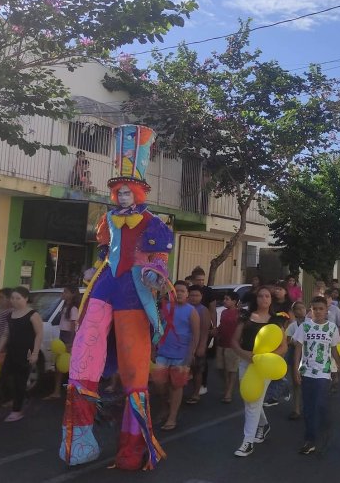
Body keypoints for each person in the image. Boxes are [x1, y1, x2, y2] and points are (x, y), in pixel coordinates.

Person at [60, 124, 174, 470]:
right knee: (84, 354)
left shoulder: (153, 222)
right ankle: (76, 440)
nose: (123, 197)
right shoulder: (108, 219)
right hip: (106, 285)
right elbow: (103, 252)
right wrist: (93, 271)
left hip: (133, 292)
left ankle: (133, 449)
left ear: (139, 193)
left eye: (128, 192)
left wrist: (156, 274)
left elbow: (160, 260)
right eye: (119, 192)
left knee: (134, 369)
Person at [231, 286, 288, 457]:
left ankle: (247, 442)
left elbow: (283, 346)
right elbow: (234, 341)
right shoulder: (245, 317)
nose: (264, 299)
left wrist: (264, 358)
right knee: (248, 397)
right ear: (256, 299)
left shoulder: (277, 320)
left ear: (271, 300)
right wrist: (245, 355)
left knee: (254, 401)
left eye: (267, 296)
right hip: (246, 361)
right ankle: (263, 424)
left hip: (264, 366)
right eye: (261, 296)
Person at [293, 296, 340, 455]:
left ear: (326, 311)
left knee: (319, 404)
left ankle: (322, 431)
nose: (318, 312)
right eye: (315, 309)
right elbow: (298, 348)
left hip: (323, 372)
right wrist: (295, 369)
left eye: (321, 309)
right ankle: (310, 440)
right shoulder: (305, 327)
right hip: (306, 371)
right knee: (308, 406)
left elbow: (334, 349)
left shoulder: (332, 328)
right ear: (311, 310)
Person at [153, 281, 199, 431]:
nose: (179, 293)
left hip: (181, 355)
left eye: (182, 291)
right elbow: (157, 329)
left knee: (176, 386)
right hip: (163, 352)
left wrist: (190, 354)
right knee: (159, 384)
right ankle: (164, 407)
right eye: (176, 290)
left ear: (187, 294)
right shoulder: (165, 307)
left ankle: (172, 417)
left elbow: (195, 335)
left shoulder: (191, 311)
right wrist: (153, 348)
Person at [0, 287, 43, 422]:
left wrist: (35, 353)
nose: (14, 301)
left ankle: (17, 410)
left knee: (20, 382)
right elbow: (6, 334)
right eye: (12, 298)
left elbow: (39, 334)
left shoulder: (33, 314)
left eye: (18, 298)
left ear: (26, 299)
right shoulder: (10, 315)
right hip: (12, 351)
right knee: (2, 378)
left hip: (26, 352)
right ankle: (18, 400)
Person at [47, 286, 80, 400]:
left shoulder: (73, 308)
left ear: (72, 294)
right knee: (59, 365)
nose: (63, 294)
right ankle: (57, 391)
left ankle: (73, 391)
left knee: (68, 365)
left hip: (68, 337)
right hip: (62, 335)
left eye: (66, 292)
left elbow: (72, 327)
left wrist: (70, 343)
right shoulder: (65, 306)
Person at [186, 284, 212, 405]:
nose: (194, 297)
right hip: (184, 345)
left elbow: (205, 330)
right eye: (191, 295)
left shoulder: (204, 310)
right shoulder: (185, 307)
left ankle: (196, 393)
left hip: (198, 345)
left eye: (197, 295)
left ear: (202, 296)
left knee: (197, 371)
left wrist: (201, 346)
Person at [216, 291, 241, 404]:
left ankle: (229, 391)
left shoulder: (239, 314)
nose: (224, 301)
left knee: (232, 369)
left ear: (234, 301)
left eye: (227, 299)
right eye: (224, 299)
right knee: (222, 368)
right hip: (222, 343)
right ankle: (227, 387)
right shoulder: (224, 313)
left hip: (233, 345)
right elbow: (221, 326)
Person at [285, 301, 307, 420]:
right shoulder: (293, 326)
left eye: (303, 308)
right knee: (296, 383)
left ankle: (308, 406)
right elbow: (288, 340)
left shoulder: (310, 323)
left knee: (308, 382)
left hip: (309, 356)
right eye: (298, 309)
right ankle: (296, 409)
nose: (301, 311)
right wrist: (296, 342)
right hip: (296, 355)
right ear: (294, 312)